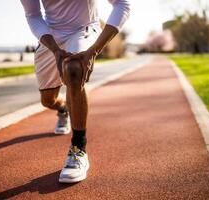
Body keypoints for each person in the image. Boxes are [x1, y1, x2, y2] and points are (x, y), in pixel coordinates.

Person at [20, 0, 130, 183]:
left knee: (74, 69)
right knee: (48, 101)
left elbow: (122, 4)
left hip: (84, 28)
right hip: (51, 35)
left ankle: (79, 149)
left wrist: (94, 50)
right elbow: (33, 15)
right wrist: (54, 49)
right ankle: (63, 109)